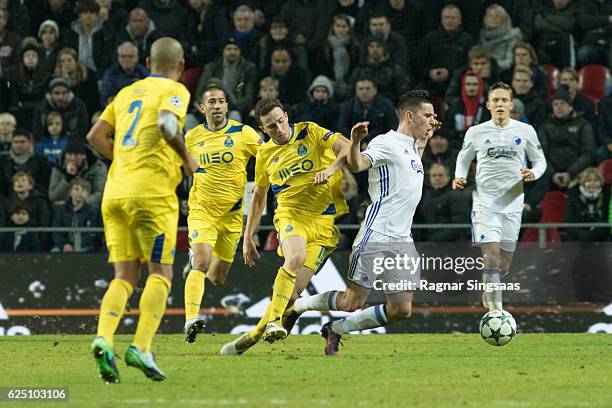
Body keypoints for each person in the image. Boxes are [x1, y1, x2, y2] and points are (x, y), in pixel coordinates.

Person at [283, 90, 439, 356]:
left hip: (403, 240)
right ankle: (298, 306)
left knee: (401, 310)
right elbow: (356, 165)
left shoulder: (413, 147)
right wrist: (354, 141)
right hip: (376, 235)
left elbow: (406, 174)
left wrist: (425, 138)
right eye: (428, 115)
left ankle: (337, 328)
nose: (433, 120)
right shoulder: (386, 142)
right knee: (351, 301)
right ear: (410, 116)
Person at [86, 37, 198, 383]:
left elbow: (95, 137)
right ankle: (141, 347)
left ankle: (104, 338)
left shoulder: (126, 93)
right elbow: (167, 125)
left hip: (115, 192)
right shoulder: (175, 91)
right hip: (152, 194)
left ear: (147, 62)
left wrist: (125, 161)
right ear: (180, 67)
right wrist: (187, 159)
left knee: (123, 276)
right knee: (160, 274)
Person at [219, 97, 349, 355]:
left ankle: (253, 335)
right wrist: (248, 236)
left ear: (286, 115)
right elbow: (258, 195)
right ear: (263, 129)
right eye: (271, 126)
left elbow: (347, 147)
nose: (278, 128)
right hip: (290, 216)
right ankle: (275, 322)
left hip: (323, 223)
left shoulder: (310, 131)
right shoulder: (265, 154)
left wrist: (332, 169)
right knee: (295, 256)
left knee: (291, 295)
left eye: (280, 121)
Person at [453, 82, 547, 311]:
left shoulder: (526, 131)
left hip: (513, 203)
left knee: (503, 265)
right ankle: (497, 312)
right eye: (495, 100)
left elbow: (541, 161)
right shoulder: (476, 132)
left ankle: (489, 288)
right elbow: (464, 158)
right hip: (485, 203)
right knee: (491, 256)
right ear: (488, 104)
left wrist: (532, 173)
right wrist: (459, 177)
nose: (500, 104)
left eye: (504, 100)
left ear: (511, 104)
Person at [183, 85, 261, 343]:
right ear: (201, 108)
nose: (217, 106)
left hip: (232, 215)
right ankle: (191, 319)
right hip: (202, 211)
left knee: (216, 278)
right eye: (211, 102)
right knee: (202, 263)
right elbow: (178, 167)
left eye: (221, 102)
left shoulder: (243, 133)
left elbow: (269, 155)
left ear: (227, 107)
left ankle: (194, 266)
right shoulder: (191, 137)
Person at [51, 177, 98, 252]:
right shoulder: (61, 210)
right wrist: (64, 245)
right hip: (63, 247)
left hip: (84, 247)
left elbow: (91, 234)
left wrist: (76, 246)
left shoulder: (92, 211)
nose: (80, 192)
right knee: (54, 252)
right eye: (76, 189)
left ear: (88, 194)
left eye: (84, 190)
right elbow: (56, 232)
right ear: (70, 192)